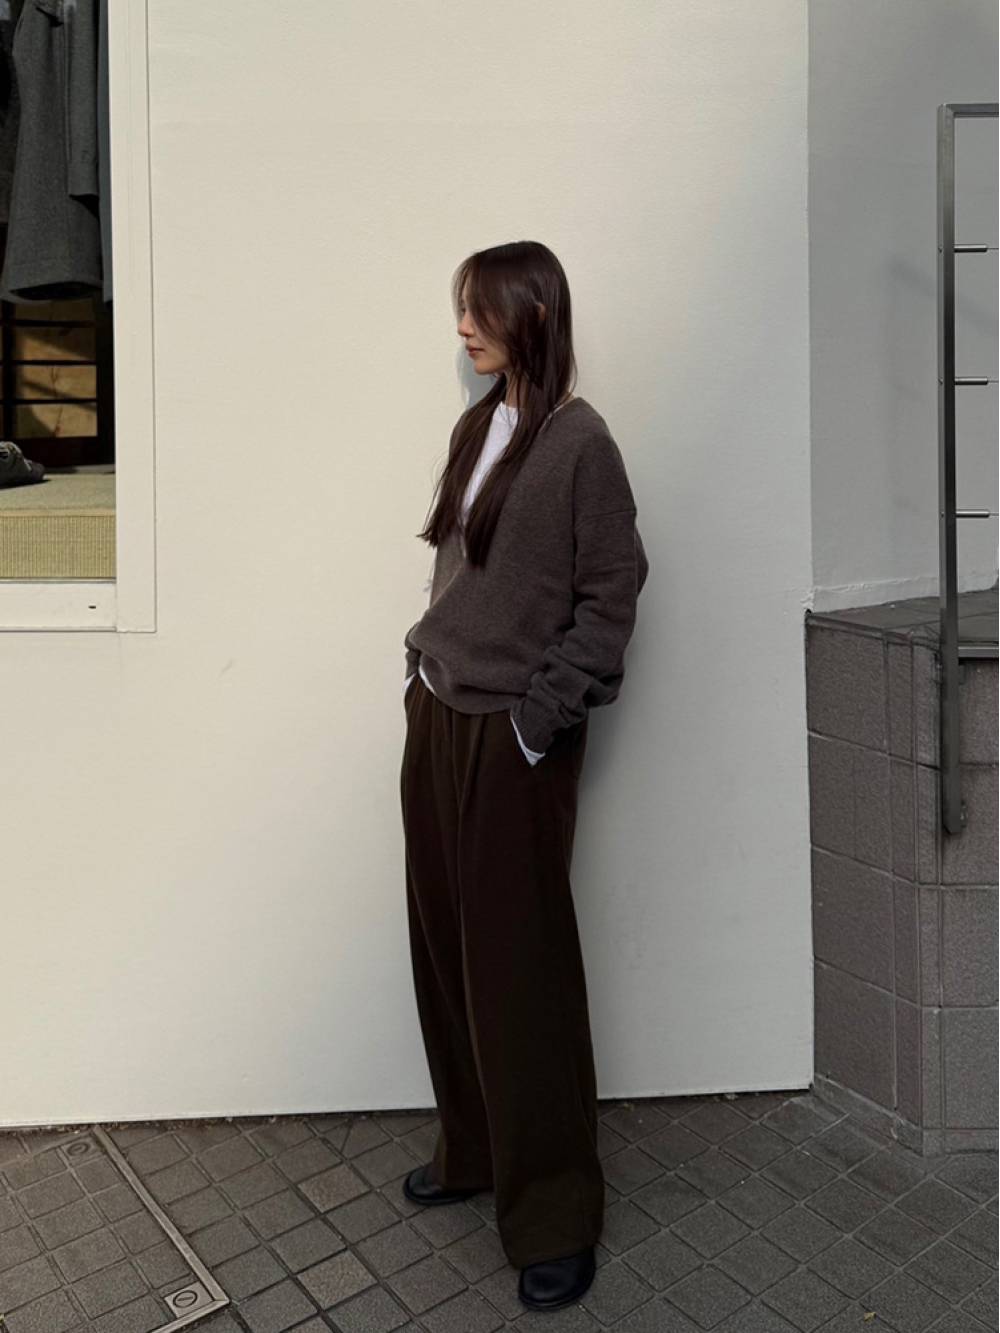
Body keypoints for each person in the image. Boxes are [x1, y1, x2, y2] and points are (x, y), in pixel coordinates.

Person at [399, 240, 649, 1312]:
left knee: (522, 971)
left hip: (511, 734)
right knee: (446, 950)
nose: (463, 327)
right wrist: (420, 671)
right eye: (461, 309)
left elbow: (612, 593)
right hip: (438, 714)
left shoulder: (582, 444)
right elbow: (457, 569)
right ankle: (473, 1150)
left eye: (480, 309)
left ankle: (555, 1214)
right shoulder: (478, 426)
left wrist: (537, 724)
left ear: (533, 315)